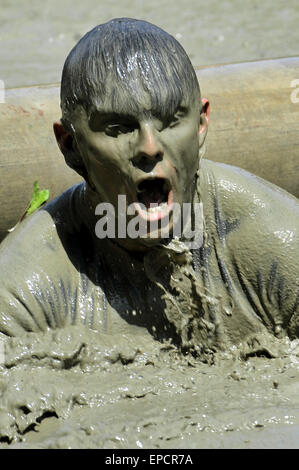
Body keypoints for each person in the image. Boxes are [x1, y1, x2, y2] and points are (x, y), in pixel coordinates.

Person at [0, 18, 298, 358]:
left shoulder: (271, 237)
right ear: (70, 145)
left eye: (171, 120)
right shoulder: (27, 283)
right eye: (118, 127)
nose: (150, 146)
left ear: (201, 125)